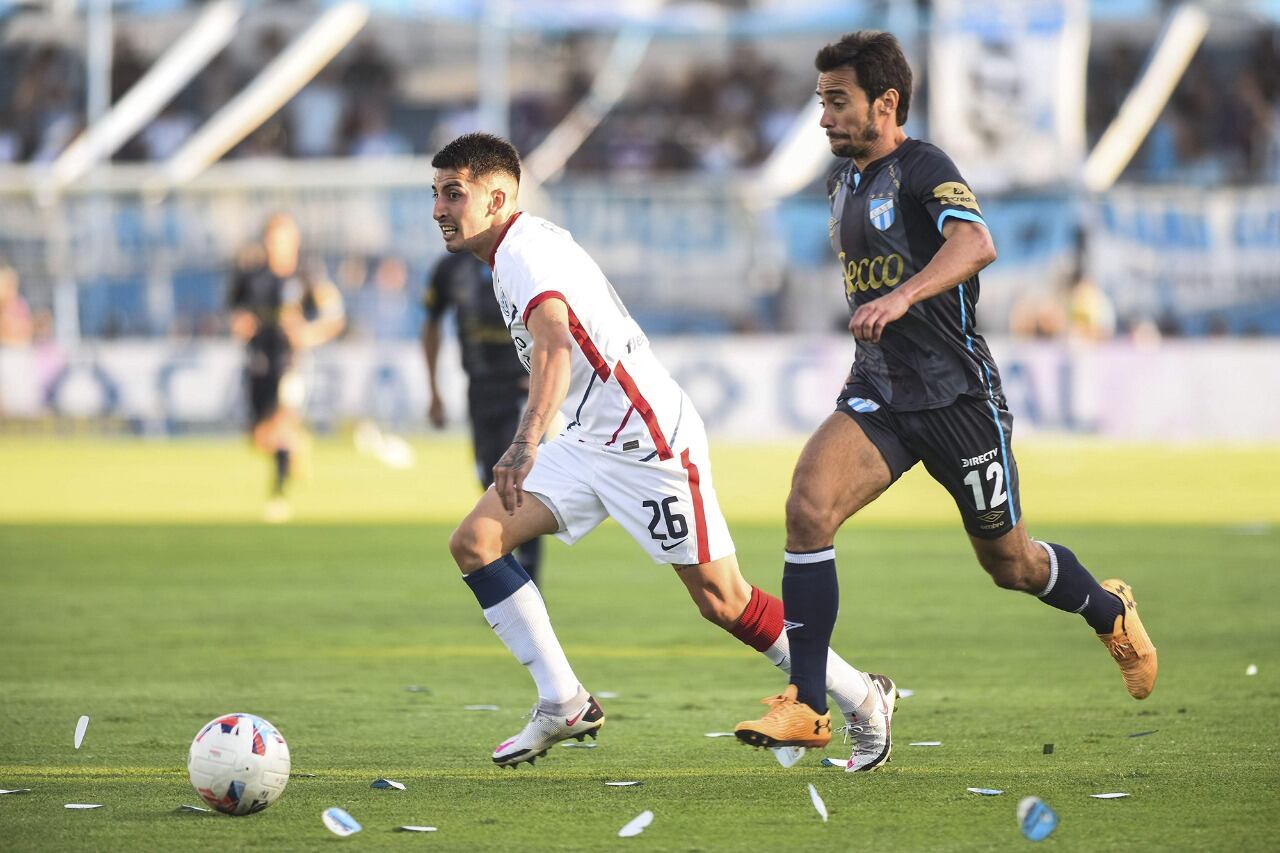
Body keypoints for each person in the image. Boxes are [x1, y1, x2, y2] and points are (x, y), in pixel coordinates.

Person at [733, 31, 1157, 754]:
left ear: (885, 103)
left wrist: (902, 296)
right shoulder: (841, 184)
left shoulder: (924, 166)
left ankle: (1105, 605)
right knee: (807, 507)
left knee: (1011, 564)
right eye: (821, 102)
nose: (824, 118)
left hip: (957, 398)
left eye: (838, 102)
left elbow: (976, 244)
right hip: (880, 390)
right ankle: (809, 703)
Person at [431, 132, 894, 770]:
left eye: (454, 194)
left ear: (497, 198)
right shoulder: (516, 248)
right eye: (436, 194)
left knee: (723, 600)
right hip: (591, 438)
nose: (439, 209)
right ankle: (563, 700)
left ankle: (863, 696)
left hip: (646, 440)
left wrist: (526, 439)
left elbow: (555, 345)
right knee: (476, 542)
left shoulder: (524, 253)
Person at [422, 250, 546, 585]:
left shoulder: (521, 260)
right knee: (489, 484)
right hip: (479, 391)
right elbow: (431, 324)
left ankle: (528, 582)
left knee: (520, 484)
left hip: (520, 392)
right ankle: (511, 580)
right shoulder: (450, 268)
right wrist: (433, 391)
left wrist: (541, 378)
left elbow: (554, 325)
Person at [227, 212, 345, 522]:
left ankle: (277, 495)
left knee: (282, 424)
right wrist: (240, 323)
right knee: (258, 437)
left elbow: (334, 316)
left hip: (293, 363)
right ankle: (297, 443)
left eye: (285, 239)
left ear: (295, 241)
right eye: (274, 240)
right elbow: (235, 311)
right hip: (259, 362)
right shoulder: (251, 275)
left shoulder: (307, 275)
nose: (279, 246)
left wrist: (310, 334)